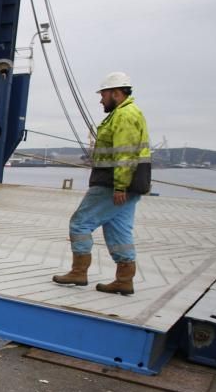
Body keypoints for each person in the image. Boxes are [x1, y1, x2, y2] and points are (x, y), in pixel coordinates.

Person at [52, 71, 151, 295]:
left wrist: (119, 186)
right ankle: (124, 279)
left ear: (116, 93)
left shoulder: (124, 116)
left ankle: (79, 272)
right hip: (132, 183)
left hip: (112, 184)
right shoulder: (130, 113)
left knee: (80, 223)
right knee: (119, 231)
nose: (101, 100)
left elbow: (125, 154)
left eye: (103, 95)